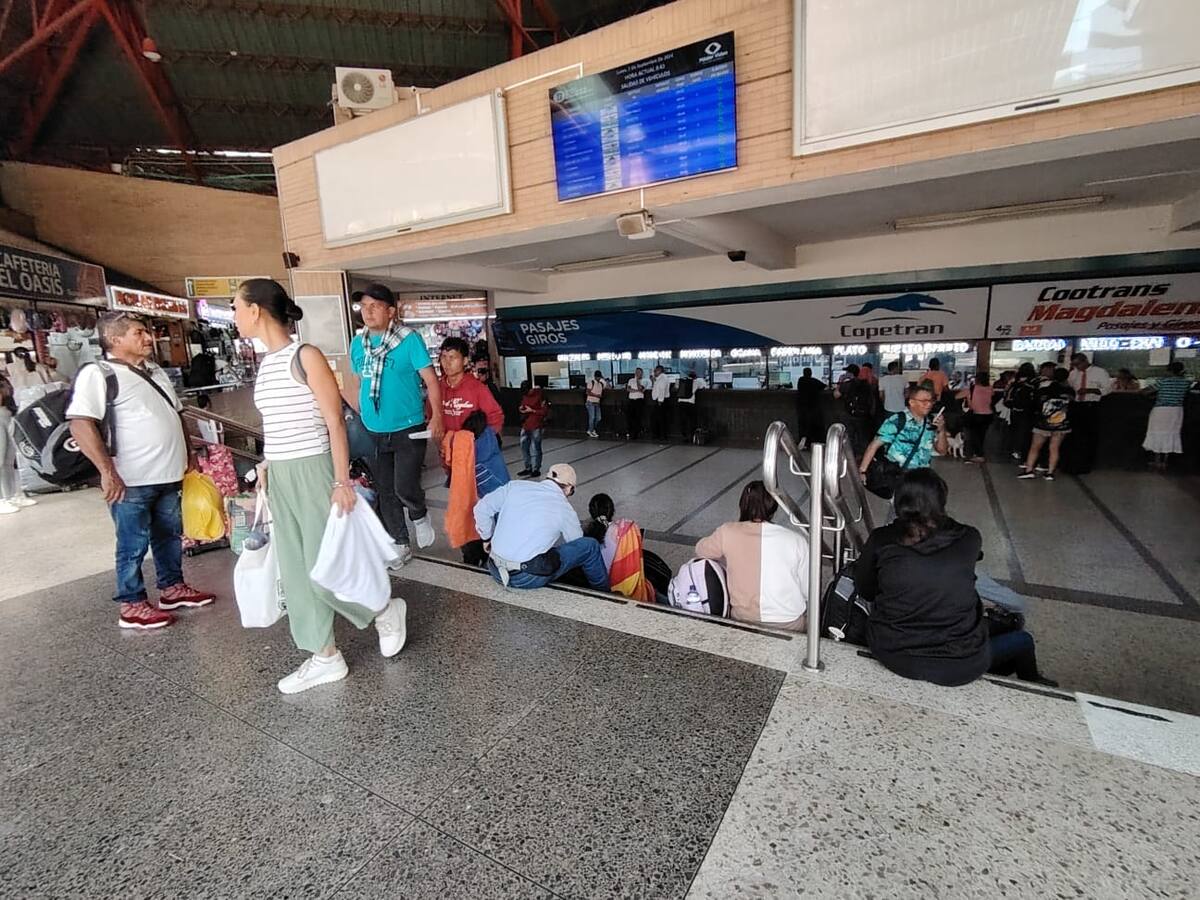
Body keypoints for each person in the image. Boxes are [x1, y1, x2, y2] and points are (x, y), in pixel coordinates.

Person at [234, 279, 405, 694]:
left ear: (255, 310)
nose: (235, 316)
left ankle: (383, 609)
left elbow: (334, 421)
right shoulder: (266, 364)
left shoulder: (305, 356)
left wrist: (341, 480)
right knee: (295, 571)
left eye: (237, 307)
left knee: (324, 567)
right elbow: (276, 424)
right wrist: (268, 464)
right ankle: (324, 655)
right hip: (281, 474)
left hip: (314, 470)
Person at [66, 313, 215, 630]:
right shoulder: (99, 374)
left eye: (147, 332)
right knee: (132, 544)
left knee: (169, 536)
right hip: (131, 480)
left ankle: (172, 588)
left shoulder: (155, 371)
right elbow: (80, 423)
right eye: (139, 333)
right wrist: (107, 471)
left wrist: (189, 454)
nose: (149, 338)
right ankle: (131, 604)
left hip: (169, 474)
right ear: (114, 339)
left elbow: (176, 415)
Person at [855, 468, 1055, 687]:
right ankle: (1032, 684)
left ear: (900, 502)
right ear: (941, 500)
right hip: (960, 664)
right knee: (1023, 639)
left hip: (894, 654)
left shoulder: (881, 539)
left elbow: (865, 590)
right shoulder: (969, 537)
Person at [347, 283, 442, 565]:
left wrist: (437, 416)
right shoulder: (358, 344)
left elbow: (431, 380)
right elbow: (358, 382)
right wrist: (355, 414)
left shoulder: (409, 340)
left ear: (390, 311)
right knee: (385, 490)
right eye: (364, 307)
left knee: (404, 485)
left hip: (408, 426)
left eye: (375, 306)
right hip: (373, 429)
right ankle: (400, 543)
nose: (368, 312)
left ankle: (418, 513)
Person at [474, 463, 609, 591]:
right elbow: (577, 542)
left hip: (495, 568)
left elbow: (481, 509)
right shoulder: (565, 509)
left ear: (547, 478)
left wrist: (487, 538)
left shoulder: (515, 486)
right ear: (569, 488)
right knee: (590, 546)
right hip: (526, 578)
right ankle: (604, 594)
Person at [695, 480, 808, 631]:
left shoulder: (727, 532)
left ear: (742, 505)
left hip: (742, 619)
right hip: (788, 621)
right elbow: (808, 590)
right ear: (774, 507)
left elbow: (700, 550)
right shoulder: (796, 540)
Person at [859, 382, 950, 484]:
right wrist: (863, 471)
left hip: (921, 478)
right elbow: (874, 446)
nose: (928, 404)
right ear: (912, 402)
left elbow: (942, 451)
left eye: (931, 401)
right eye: (923, 401)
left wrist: (941, 430)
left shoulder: (931, 423)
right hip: (898, 476)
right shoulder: (897, 420)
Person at [581, 492, 657, 602]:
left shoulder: (586, 533)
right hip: (623, 587)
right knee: (652, 587)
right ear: (612, 510)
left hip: (597, 585)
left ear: (591, 512)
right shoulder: (626, 529)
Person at [438, 336, 504, 437]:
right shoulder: (438, 389)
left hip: (472, 446)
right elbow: (431, 417)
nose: (447, 363)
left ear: (465, 361)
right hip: (445, 446)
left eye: (452, 357)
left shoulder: (478, 388)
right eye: (444, 357)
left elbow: (495, 417)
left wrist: (482, 441)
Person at [1018, 366, 1073, 482]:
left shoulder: (1044, 390)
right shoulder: (1070, 392)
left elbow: (1035, 404)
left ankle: (1029, 470)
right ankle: (1050, 473)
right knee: (1054, 448)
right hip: (1061, 424)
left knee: (1035, 447)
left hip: (1043, 423)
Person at [1066, 352, 1110, 474]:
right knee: (1075, 436)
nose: (1077, 367)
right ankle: (1074, 462)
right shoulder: (1073, 374)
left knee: (1089, 436)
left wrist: (1090, 390)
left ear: (1085, 361)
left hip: (1091, 405)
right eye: (1074, 365)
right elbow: (1070, 387)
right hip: (1077, 405)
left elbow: (1107, 389)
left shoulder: (1100, 372)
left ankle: (1087, 463)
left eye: (1078, 364)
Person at [1142, 361, 1191, 469]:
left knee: (1157, 434)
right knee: (1171, 434)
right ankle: (1165, 461)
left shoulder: (1163, 381)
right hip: (1176, 411)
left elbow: (1145, 391)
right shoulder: (1186, 382)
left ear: (1169, 371)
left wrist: (1154, 396)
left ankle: (1157, 461)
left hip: (1161, 411)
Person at [0, 373, 36, 514]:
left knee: (9, 461)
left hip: (5, 415)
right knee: (1, 461)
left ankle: (12, 495)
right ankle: (2, 499)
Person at [957, 370, 995, 463]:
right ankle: (978, 453)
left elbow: (957, 396)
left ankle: (979, 455)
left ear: (977, 379)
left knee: (974, 436)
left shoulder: (972, 389)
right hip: (988, 415)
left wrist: (968, 398)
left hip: (977, 415)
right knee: (981, 435)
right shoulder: (990, 389)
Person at [1004, 363, 1039, 462]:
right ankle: (1022, 451)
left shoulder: (1015, 382)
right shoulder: (1034, 382)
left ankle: (1015, 449)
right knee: (1025, 432)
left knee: (1015, 430)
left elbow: (1007, 395)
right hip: (1029, 411)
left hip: (1015, 410)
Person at [838, 364, 875, 456]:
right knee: (863, 438)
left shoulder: (847, 384)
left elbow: (836, 395)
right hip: (863, 415)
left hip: (849, 414)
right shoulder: (867, 384)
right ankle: (864, 458)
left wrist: (841, 382)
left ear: (850, 373)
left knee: (849, 437)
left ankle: (850, 458)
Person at [517, 380, 548, 477]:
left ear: (531, 389)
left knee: (536, 448)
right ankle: (528, 467)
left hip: (536, 425)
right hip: (525, 424)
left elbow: (544, 411)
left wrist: (532, 410)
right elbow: (523, 405)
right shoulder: (524, 395)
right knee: (524, 447)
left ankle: (536, 469)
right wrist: (522, 408)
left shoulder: (540, 395)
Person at [794, 366, 826, 449]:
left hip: (801, 407)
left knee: (803, 425)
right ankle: (810, 442)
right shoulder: (813, 381)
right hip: (812, 407)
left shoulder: (801, 380)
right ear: (811, 373)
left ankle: (803, 440)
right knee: (812, 426)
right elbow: (823, 386)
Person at [677, 369, 708, 441]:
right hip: (690, 402)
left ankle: (684, 435)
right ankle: (691, 436)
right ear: (695, 376)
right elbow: (704, 387)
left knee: (683, 420)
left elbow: (676, 388)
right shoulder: (697, 381)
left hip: (681, 402)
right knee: (691, 420)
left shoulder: (682, 381)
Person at [624, 367, 648, 440]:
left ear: (642, 373)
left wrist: (637, 380)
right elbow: (628, 389)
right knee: (630, 417)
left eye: (639, 372)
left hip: (639, 401)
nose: (637, 373)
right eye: (636, 372)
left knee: (638, 417)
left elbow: (640, 388)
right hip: (631, 400)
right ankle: (630, 431)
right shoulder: (631, 380)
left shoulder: (645, 381)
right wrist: (637, 390)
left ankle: (636, 433)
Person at [650, 365, 670, 440]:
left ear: (659, 371)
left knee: (661, 419)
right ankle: (657, 434)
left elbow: (662, 389)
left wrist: (660, 401)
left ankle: (662, 435)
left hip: (661, 400)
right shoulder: (658, 378)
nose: (654, 372)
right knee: (656, 418)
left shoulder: (663, 378)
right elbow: (655, 388)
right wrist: (653, 381)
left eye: (655, 371)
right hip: (658, 400)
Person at [585, 369, 605, 437]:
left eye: (600, 377)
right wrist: (596, 395)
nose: (599, 378)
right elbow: (587, 392)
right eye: (598, 377)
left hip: (597, 403)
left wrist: (604, 380)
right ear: (595, 377)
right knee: (592, 417)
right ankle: (590, 431)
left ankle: (592, 429)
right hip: (590, 402)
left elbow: (607, 387)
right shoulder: (591, 382)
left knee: (598, 418)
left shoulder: (601, 384)